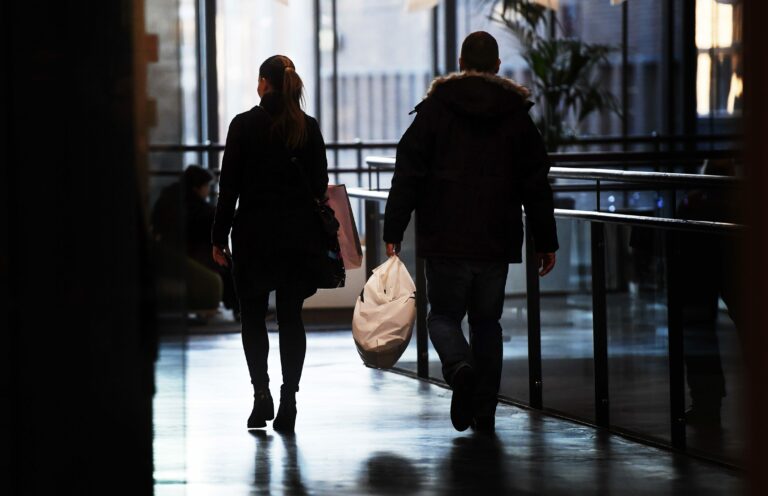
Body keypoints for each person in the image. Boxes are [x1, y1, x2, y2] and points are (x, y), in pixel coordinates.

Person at [383, 32, 559, 433]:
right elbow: (535, 183)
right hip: (496, 240)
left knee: (443, 317)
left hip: (445, 238)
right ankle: (484, 411)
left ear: (461, 63)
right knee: (487, 324)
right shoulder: (516, 115)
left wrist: (394, 227)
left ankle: (460, 368)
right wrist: (546, 241)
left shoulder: (435, 110)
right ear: (497, 66)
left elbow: (408, 172)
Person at [211, 55, 329, 433]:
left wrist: (218, 238)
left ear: (263, 83)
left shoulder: (243, 125)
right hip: (298, 236)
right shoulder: (307, 127)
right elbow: (319, 185)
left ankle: (261, 394)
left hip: (254, 235)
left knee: (252, 315)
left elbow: (228, 188)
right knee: (291, 316)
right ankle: (289, 399)